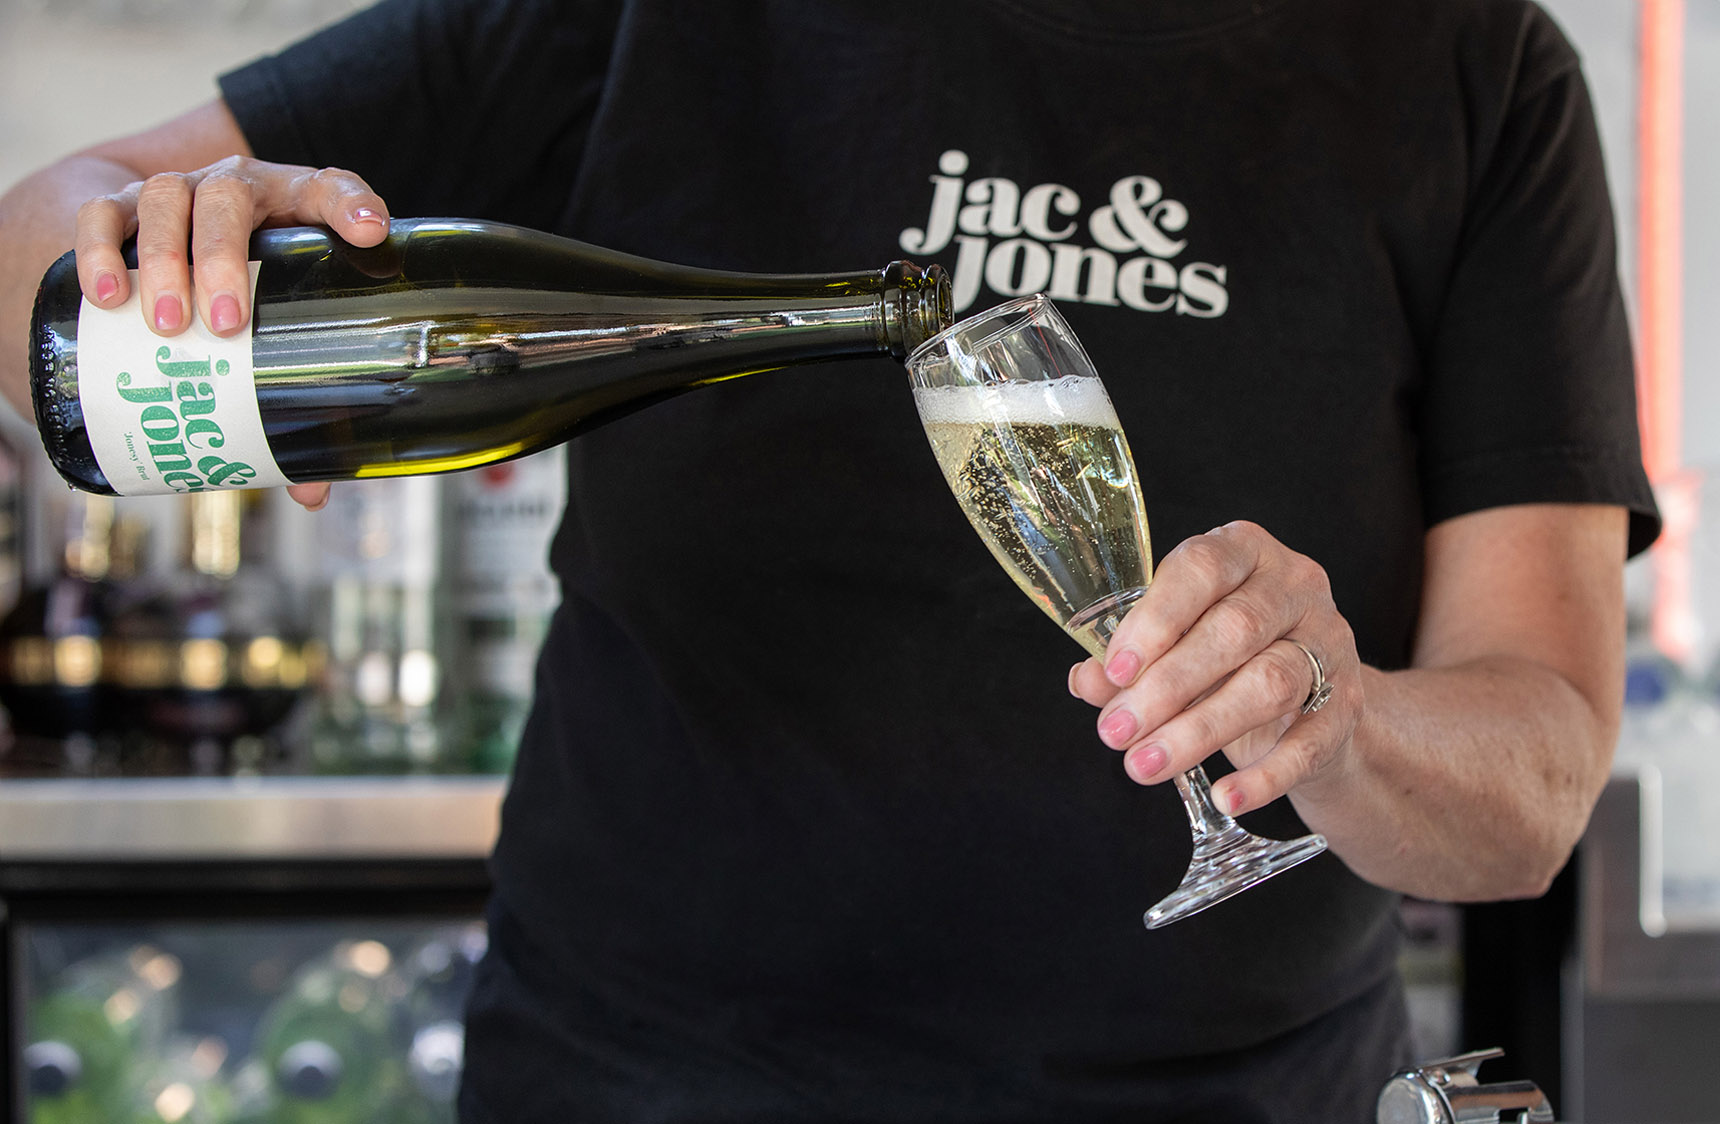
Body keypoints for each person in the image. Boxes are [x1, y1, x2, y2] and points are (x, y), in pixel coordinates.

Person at [0, 1, 1661, 1120]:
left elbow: (1535, 785)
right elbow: (30, 251)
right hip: (638, 1084)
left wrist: (1344, 719)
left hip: (1244, 1095)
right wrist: (164, 249)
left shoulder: (1469, 66)